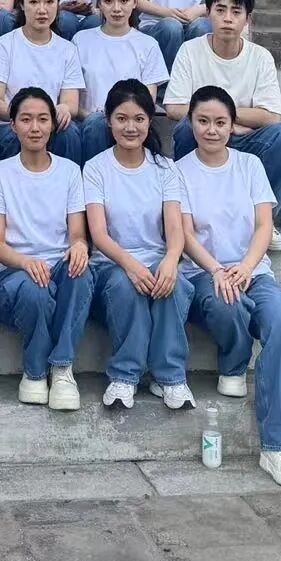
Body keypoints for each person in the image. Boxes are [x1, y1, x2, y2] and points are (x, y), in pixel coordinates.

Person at [178, 85, 281, 487]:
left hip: (254, 270)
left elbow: (264, 225)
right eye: (203, 121)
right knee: (227, 303)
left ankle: (278, 447)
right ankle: (232, 360)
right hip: (204, 272)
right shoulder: (178, 172)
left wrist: (247, 267)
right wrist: (218, 270)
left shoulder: (250, 166)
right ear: (191, 123)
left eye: (220, 122)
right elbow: (185, 235)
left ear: (233, 126)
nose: (211, 130)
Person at [164, 0, 281, 252]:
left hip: (245, 140)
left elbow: (272, 116)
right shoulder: (190, 51)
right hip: (207, 135)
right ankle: (190, 218)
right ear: (208, 13)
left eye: (236, 11)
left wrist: (226, 121)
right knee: (185, 128)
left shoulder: (260, 57)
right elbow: (174, 108)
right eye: (220, 10)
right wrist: (223, 121)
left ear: (247, 19)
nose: (228, 18)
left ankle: (262, 221)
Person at [84, 80, 194, 410]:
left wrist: (171, 259)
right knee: (126, 284)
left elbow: (174, 227)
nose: (130, 127)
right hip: (111, 265)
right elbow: (99, 235)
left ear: (150, 120)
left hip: (156, 259)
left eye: (139, 119)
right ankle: (125, 376)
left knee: (173, 285)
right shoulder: (96, 168)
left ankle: (171, 378)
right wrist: (131, 265)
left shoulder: (165, 168)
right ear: (108, 121)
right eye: (121, 118)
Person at [0, 86, 94, 410]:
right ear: (13, 125)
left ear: (53, 124)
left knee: (81, 272)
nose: (34, 127)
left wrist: (79, 246)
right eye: (26, 119)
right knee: (35, 287)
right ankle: (34, 372)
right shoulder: (0, 174)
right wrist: (25, 262)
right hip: (13, 276)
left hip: (58, 270)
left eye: (42, 119)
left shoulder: (69, 171)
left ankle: (61, 368)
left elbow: (77, 232)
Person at [0, 0, 82, 165]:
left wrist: (56, 113)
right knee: (19, 133)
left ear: (58, 3)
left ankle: (69, 182)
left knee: (69, 131)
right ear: (21, 4)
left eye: (49, 2)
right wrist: (27, 119)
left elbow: (70, 103)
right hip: (10, 124)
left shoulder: (67, 49)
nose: (42, 10)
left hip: (49, 124)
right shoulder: (4, 45)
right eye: (34, 2)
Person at [73, 0, 168, 163]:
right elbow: (73, 99)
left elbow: (147, 100)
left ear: (135, 2)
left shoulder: (148, 44)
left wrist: (121, 119)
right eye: (108, 1)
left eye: (124, 1)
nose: (117, 8)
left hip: (131, 125)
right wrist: (98, 117)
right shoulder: (80, 41)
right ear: (98, 3)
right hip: (91, 124)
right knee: (96, 124)